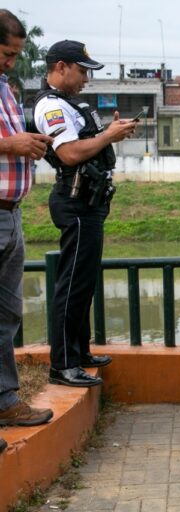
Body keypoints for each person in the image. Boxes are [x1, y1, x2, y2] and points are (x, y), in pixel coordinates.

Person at [33, 40, 137, 387]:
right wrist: (108, 135)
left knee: (84, 282)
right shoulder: (50, 106)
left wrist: (111, 135)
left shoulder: (69, 104)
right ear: (61, 67)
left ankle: (78, 353)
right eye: (81, 71)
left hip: (89, 202)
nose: (85, 80)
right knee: (71, 285)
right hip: (74, 201)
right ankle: (62, 364)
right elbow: (70, 153)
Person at [0, 9, 54, 439]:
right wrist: (11, 144)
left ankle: (5, 401)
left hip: (11, 215)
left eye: (15, 54)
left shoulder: (6, 88)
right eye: (5, 52)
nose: (11, 61)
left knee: (8, 314)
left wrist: (29, 144)